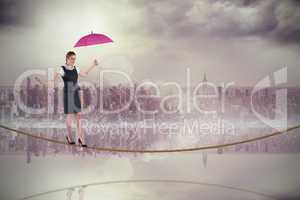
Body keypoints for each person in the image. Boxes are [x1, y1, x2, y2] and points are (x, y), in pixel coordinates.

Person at [52, 51, 98, 147]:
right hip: (68, 93)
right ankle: (69, 136)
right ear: (67, 58)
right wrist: (47, 82)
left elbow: (85, 74)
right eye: (72, 58)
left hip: (76, 92)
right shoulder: (62, 69)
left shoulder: (76, 68)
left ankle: (80, 138)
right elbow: (53, 79)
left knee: (79, 116)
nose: (73, 60)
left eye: (74, 58)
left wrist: (93, 65)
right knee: (69, 116)